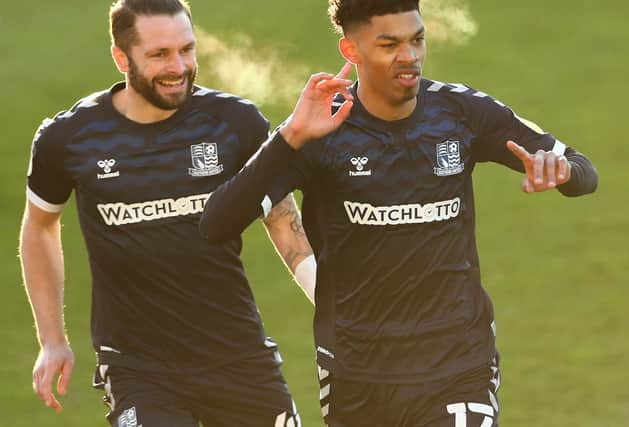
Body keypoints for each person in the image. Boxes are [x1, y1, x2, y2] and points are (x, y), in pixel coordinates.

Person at [199, 0, 599, 425]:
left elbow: (583, 171)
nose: (409, 56)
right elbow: (217, 225)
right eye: (389, 45)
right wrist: (290, 138)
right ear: (351, 51)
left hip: (457, 365)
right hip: (356, 373)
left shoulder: (462, 113)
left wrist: (563, 173)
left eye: (417, 40)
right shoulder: (317, 132)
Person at [19, 0, 313, 425]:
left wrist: (329, 305)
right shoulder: (69, 138)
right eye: (159, 55)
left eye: (186, 50)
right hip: (138, 367)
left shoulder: (235, 123)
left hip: (238, 355)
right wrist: (52, 339)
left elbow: (284, 223)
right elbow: (40, 227)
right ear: (121, 57)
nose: (178, 67)